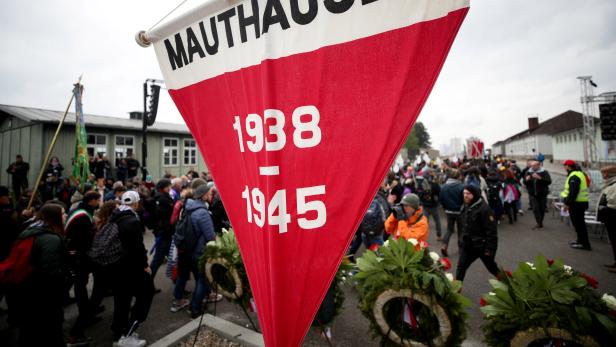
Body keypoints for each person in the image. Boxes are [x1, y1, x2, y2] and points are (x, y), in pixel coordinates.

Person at [13, 202, 68, 347]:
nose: (66, 215)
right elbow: (51, 271)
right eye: (63, 213)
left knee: (30, 329)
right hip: (44, 295)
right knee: (50, 330)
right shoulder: (51, 239)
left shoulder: (32, 229)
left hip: (27, 289)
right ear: (54, 217)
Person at [109, 191, 154, 344]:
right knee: (146, 293)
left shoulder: (115, 214)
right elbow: (137, 248)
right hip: (130, 268)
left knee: (121, 300)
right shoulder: (132, 221)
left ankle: (118, 333)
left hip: (116, 266)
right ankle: (126, 334)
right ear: (136, 203)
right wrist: (145, 266)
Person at [170, 184, 220, 317]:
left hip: (189, 249)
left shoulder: (189, 207)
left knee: (199, 278)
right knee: (202, 280)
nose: (210, 196)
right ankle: (195, 308)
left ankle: (194, 302)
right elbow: (210, 236)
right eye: (209, 194)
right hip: (200, 251)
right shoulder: (202, 212)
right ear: (203, 195)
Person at [64, 191, 101, 344]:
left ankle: (86, 311)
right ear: (92, 201)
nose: (99, 202)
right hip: (79, 254)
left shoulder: (80, 210)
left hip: (77, 253)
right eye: (98, 199)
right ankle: (84, 312)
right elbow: (84, 237)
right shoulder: (83, 216)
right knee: (80, 283)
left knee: (81, 283)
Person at [455, 185, 499, 282]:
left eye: (468, 194)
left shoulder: (484, 209)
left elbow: (491, 231)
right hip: (468, 246)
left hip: (482, 247)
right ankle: (456, 290)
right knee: (461, 267)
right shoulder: (466, 205)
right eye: (464, 193)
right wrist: (461, 241)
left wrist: (490, 249)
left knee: (492, 268)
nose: (465, 196)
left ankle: (509, 284)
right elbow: (464, 226)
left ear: (474, 194)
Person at [560, 160, 591, 250]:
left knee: (579, 225)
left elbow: (573, 192)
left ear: (568, 166)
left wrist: (567, 204)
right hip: (580, 203)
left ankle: (585, 244)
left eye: (564, 166)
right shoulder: (579, 173)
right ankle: (580, 241)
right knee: (578, 224)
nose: (564, 168)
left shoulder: (574, 176)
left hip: (576, 204)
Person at [150, 178, 174, 282]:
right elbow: (164, 215)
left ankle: (178, 286)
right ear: (164, 187)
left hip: (164, 233)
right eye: (168, 186)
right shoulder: (162, 199)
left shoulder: (161, 197)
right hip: (164, 233)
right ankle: (147, 283)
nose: (170, 188)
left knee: (172, 258)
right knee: (158, 260)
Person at [439, 169, 464, 257]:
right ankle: (461, 249)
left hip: (449, 211)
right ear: (457, 176)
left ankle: (444, 245)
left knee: (449, 229)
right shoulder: (461, 186)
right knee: (461, 230)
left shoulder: (443, 187)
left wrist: (445, 207)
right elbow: (464, 199)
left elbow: (441, 199)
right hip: (460, 211)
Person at [598, 166, 616, 272]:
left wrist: (604, 205)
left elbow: (612, 201)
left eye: (603, 174)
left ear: (609, 174)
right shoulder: (610, 184)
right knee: (613, 240)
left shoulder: (614, 185)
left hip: (613, 215)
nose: (602, 176)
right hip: (610, 215)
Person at [523, 160, 551, 229]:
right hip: (532, 193)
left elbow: (549, 182)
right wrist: (526, 180)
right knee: (535, 208)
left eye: (534, 166)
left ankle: (540, 222)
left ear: (538, 165)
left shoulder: (544, 172)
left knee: (542, 208)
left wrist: (540, 178)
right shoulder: (528, 172)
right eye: (531, 166)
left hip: (542, 193)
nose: (532, 167)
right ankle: (539, 223)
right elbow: (525, 182)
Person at [416, 172, 442, 240]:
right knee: (437, 221)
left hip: (426, 206)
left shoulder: (421, 185)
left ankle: (424, 236)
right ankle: (438, 235)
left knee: (424, 222)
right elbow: (439, 193)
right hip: (433, 206)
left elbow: (419, 195)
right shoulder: (435, 184)